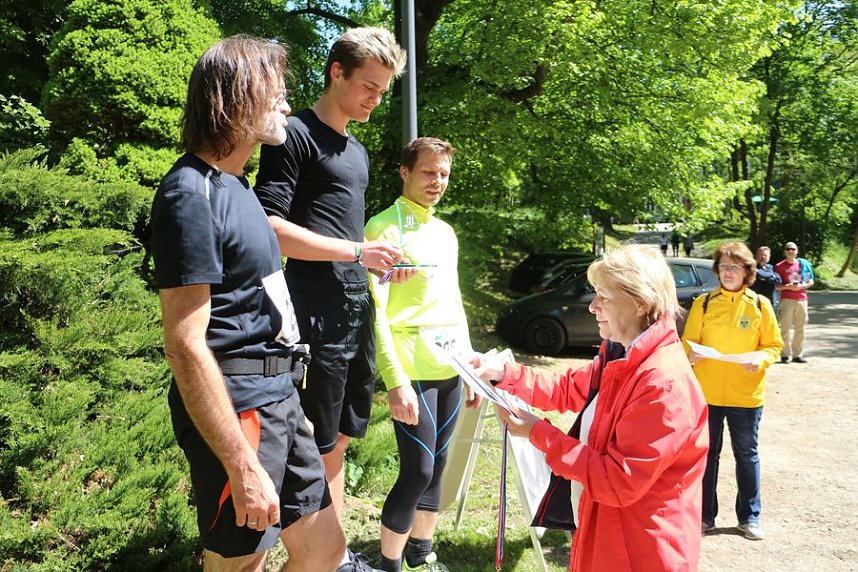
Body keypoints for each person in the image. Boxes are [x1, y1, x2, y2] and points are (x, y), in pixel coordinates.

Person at [150, 36, 362, 571]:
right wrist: (240, 460)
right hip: (240, 404)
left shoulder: (239, 187)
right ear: (236, 97)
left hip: (281, 397)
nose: (288, 107)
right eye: (276, 95)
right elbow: (184, 344)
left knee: (325, 551)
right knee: (238, 564)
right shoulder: (188, 195)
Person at [254, 26, 407, 563]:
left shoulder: (358, 152)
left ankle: (334, 557)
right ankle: (315, 555)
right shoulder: (293, 135)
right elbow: (269, 225)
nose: (375, 98)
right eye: (369, 85)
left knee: (339, 440)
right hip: (311, 313)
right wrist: (354, 252)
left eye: (383, 91)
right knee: (314, 444)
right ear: (336, 72)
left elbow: (347, 241)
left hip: (354, 310)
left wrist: (378, 261)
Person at [475, 244, 708, 572]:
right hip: (611, 535)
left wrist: (538, 433)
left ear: (640, 303)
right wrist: (503, 373)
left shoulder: (662, 384)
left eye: (604, 297)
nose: (593, 307)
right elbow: (567, 388)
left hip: (641, 552)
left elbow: (617, 481)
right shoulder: (622, 356)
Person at [366, 137, 481, 572]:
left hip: (449, 363)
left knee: (439, 465)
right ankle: (388, 564)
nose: (437, 182)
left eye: (444, 174)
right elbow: (375, 314)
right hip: (410, 363)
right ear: (405, 172)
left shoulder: (445, 232)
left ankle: (422, 552)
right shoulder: (383, 228)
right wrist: (394, 380)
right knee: (416, 470)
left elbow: (454, 301)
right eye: (428, 172)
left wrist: (469, 367)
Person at [682, 242, 784, 541]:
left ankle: (749, 518)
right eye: (724, 266)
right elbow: (688, 342)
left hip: (746, 396)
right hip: (707, 394)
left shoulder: (760, 305)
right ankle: (704, 516)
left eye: (734, 267)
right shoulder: (703, 303)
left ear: (747, 272)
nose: (728, 272)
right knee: (707, 455)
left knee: (747, 455)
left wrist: (761, 359)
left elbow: (774, 345)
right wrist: (692, 353)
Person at [774, 241, 814, 363]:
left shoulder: (804, 264)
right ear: (785, 251)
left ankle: (797, 355)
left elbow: (811, 281)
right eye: (788, 249)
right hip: (787, 299)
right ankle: (784, 355)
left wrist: (802, 286)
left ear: (797, 251)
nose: (790, 251)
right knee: (785, 328)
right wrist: (788, 287)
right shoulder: (779, 266)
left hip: (802, 299)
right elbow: (776, 286)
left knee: (800, 328)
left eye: (793, 249)